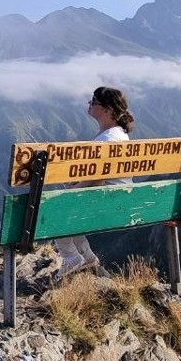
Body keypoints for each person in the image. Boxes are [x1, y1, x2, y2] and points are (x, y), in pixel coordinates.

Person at [54, 86, 135, 277]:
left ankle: (70, 256)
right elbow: (99, 175)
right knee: (68, 201)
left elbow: (98, 178)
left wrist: (76, 187)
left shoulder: (106, 140)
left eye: (93, 102)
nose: (89, 104)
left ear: (108, 110)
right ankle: (86, 256)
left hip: (104, 202)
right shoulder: (120, 135)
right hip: (122, 200)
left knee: (54, 206)